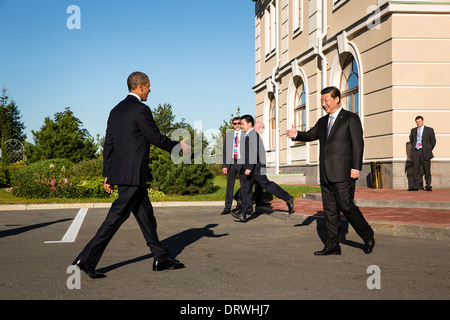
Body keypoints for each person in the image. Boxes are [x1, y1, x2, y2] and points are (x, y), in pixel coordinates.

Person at [72, 72, 190, 278]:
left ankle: (160, 257)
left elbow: (108, 144)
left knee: (146, 216)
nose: (150, 90)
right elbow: (155, 137)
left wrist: (107, 175)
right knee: (115, 218)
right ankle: (85, 259)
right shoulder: (141, 110)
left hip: (127, 175)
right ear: (141, 87)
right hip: (133, 176)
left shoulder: (115, 110)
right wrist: (177, 145)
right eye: (149, 86)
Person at [286, 86, 375, 255]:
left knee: (346, 206)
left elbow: (358, 144)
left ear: (337, 99)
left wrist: (356, 167)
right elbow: (311, 135)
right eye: (322, 101)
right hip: (326, 174)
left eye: (326, 100)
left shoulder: (350, 118)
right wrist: (296, 133)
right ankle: (333, 245)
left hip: (344, 172)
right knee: (330, 210)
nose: (323, 104)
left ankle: (367, 234)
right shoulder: (323, 121)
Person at [232, 115, 294, 222]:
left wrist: (249, 168)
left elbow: (254, 153)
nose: (241, 126)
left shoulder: (253, 134)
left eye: (242, 123)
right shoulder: (247, 135)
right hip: (249, 168)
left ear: (249, 124)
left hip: (256, 169)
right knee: (247, 190)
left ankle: (288, 198)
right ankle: (243, 213)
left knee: (267, 185)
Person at [221, 117, 246, 215]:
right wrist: (224, 165)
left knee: (244, 186)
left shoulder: (245, 134)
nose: (237, 125)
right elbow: (225, 151)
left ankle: (245, 207)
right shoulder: (228, 135)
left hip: (241, 163)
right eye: (235, 123)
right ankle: (227, 208)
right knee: (229, 187)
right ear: (232, 124)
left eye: (239, 123)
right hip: (231, 163)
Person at [408, 116, 436, 191]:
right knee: (416, 169)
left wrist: (428, 150)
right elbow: (412, 141)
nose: (418, 123)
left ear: (423, 121)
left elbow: (433, 141)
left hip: (425, 152)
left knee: (426, 169)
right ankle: (416, 185)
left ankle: (428, 185)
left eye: (419, 121)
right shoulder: (413, 130)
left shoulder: (429, 130)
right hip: (416, 151)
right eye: (417, 122)